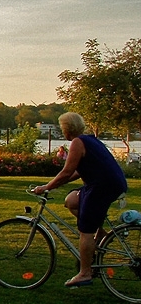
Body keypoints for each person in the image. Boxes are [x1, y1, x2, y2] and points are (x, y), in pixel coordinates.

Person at [32, 112, 128, 288]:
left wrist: (46, 187)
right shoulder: (89, 140)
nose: (62, 131)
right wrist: (55, 184)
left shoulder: (77, 142)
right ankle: (101, 235)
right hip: (108, 183)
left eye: (62, 128)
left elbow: (66, 172)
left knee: (86, 230)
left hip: (102, 187)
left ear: (67, 129)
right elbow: (76, 172)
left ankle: (85, 273)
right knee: (71, 201)